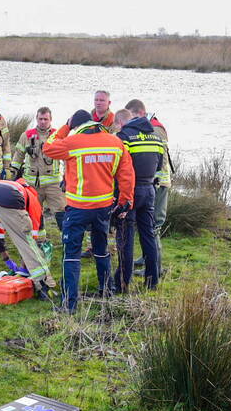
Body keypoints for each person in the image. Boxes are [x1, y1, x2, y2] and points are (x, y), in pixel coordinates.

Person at [43, 110, 134, 313]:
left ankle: (70, 304)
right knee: (101, 249)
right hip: (103, 207)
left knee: (72, 254)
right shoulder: (115, 142)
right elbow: (127, 174)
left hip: (78, 207)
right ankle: (106, 290)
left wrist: (65, 126)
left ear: (76, 126)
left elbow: (48, 147)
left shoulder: (72, 141)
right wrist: (125, 201)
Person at [112, 106, 165, 292]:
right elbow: (160, 164)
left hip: (129, 192)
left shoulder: (124, 137)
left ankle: (122, 282)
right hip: (149, 189)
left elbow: (119, 166)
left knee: (126, 237)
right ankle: (152, 281)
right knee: (148, 235)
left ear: (120, 123)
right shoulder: (156, 137)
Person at [124, 99, 172, 273]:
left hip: (158, 184)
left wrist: (153, 180)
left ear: (141, 114)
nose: (130, 121)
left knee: (153, 227)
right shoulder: (146, 127)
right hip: (149, 184)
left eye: (133, 117)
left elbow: (160, 159)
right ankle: (146, 257)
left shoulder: (156, 130)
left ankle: (155, 268)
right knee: (144, 225)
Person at [11, 107, 66, 232]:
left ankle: (66, 241)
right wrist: (13, 174)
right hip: (32, 185)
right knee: (35, 214)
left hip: (54, 184)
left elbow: (67, 158)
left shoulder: (57, 136)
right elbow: (18, 156)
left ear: (51, 120)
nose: (42, 122)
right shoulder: (26, 136)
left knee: (62, 212)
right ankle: (39, 242)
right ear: (36, 119)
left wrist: (67, 178)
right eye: (40, 119)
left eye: (45, 119)